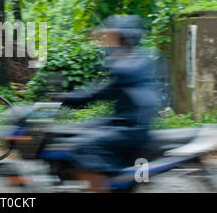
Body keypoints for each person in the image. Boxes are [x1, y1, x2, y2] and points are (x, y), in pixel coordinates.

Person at [51, 15, 165, 192]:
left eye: (113, 36)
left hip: (132, 128)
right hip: (120, 120)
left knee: (84, 146)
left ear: (124, 38)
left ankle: (98, 186)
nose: (108, 41)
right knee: (72, 132)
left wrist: (65, 98)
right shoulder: (126, 59)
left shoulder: (136, 61)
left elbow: (100, 89)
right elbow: (99, 91)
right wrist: (65, 98)